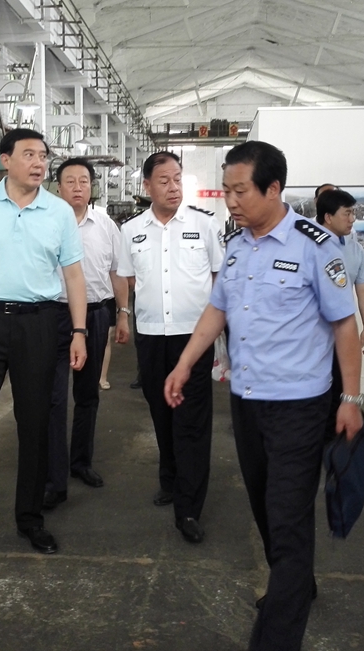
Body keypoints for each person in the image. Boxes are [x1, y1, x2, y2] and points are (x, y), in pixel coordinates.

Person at [164, 140, 363, 651]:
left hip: (299, 406)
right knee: (265, 507)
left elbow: (345, 325)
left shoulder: (316, 246)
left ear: (273, 189)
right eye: (226, 190)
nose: (231, 200)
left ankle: (276, 635)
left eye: (240, 191)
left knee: (289, 517)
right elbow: (217, 311)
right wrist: (185, 364)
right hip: (247, 401)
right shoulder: (236, 245)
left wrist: (352, 400)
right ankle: (297, 583)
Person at [0, 128, 87, 556]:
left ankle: (30, 517)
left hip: (38, 323)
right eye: (29, 155)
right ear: (5, 160)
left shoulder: (58, 212)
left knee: (35, 423)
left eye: (43, 155)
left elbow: (74, 276)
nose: (39, 163)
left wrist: (78, 332)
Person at [118, 150, 223, 544]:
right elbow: (128, 279)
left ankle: (189, 507)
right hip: (151, 336)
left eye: (178, 178)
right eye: (164, 180)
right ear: (147, 186)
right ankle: (170, 478)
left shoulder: (204, 224)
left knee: (191, 420)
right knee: (161, 412)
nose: (173, 186)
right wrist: (125, 315)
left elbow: (219, 277)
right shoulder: (132, 230)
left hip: (193, 337)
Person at [44, 158, 131, 511]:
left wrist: (123, 314)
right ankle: (54, 475)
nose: (78, 187)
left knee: (87, 394)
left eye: (84, 180)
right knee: (53, 397)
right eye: (70, 181)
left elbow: (117, 273)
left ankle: (81, 462)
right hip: (54, 316)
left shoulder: (106, 226)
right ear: (58, 187)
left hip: (96, 314)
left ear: (92, 187)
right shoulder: (46, 222)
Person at [316, 189, 364, 354]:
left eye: (353, 213)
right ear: (328, 217)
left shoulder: (355, 250)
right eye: (347, 214)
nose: (352, 219)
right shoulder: (306, 247)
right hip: (310, 335)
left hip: (342, 332)